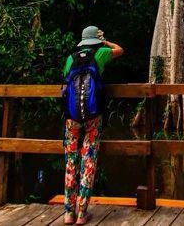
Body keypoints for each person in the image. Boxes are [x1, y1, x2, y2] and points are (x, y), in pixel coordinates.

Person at [62, 25, 123, 225]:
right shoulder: (102, 52)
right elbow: (120, 50)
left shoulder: (71, 58)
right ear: (97, 40)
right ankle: (82, 213)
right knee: (88, 159)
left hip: (71, 117)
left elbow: (65, 83)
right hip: (93, 116)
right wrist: (105, 41)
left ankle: (68, 213)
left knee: (71, 161)